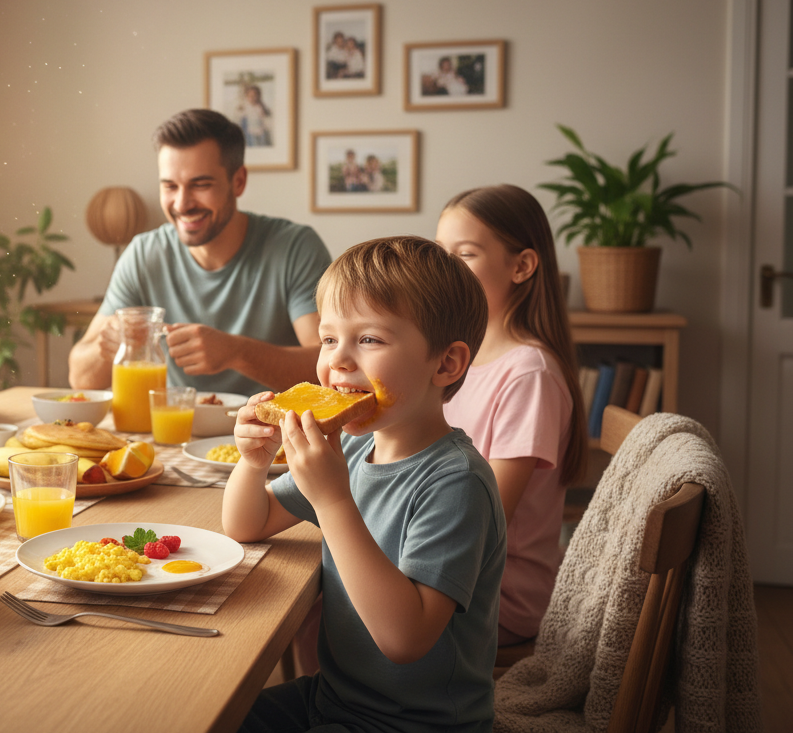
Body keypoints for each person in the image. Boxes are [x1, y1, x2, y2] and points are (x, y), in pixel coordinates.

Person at [224, 236, 504, 733]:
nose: (338, 361)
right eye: (329, 339)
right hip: (334, 697)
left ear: (446, 363)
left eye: (369, 340)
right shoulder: (353, 449)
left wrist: (333, 500)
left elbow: (405, 640)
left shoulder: (456, 482)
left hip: (417, 724)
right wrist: (254, 461)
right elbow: (248, 524)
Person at [68, 108, 331, 396]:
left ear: (238, 181)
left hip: (271, 424)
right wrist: (109, 348)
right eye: (170, 186)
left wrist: (236, 352)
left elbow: (328, 365)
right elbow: (80, 379)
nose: (182, 203)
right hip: (174, 424)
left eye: (201, 185)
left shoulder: (295, 248)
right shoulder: (143, 255)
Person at [435, 184, 587, 646]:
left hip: (499, 592)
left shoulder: (529, 374)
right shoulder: (456, 358)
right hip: (448, 560)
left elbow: (486, 519)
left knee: (329, 596)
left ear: (521, 266)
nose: (445, 270)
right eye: (441, 253)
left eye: (465, 255)